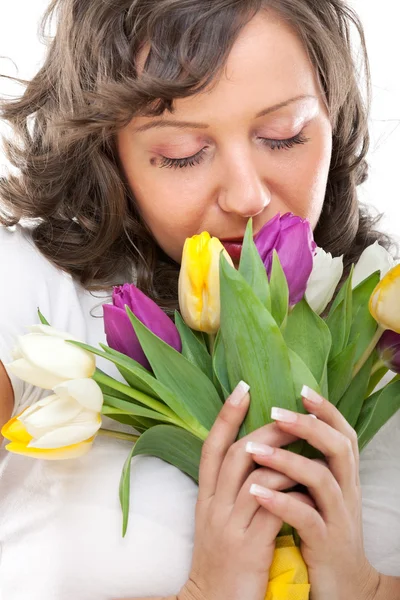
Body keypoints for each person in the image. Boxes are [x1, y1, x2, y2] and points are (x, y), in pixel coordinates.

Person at [0, 1, 399, 599]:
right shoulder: (31, 293)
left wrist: (363, 588)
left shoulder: (379, 318)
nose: (246, 196)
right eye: (183, 152)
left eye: (283, 137)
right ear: (109, 154)